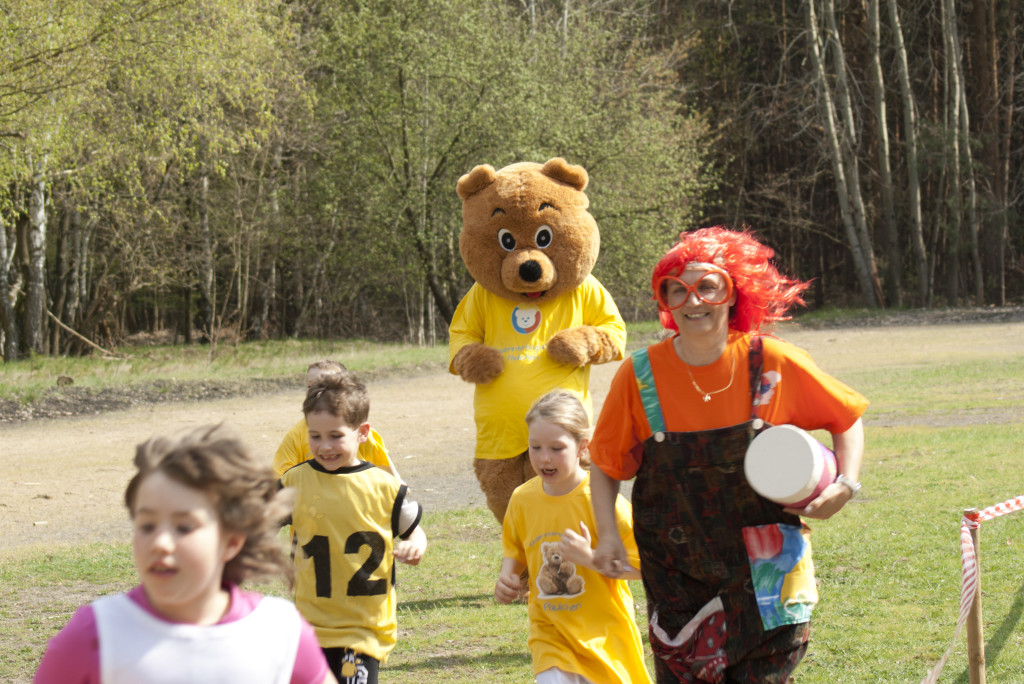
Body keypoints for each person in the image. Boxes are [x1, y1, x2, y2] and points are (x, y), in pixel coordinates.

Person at [588, 226, 868, 683]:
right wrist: (607, 535)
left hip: (769, 573)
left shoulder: (773, 362)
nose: (692, 302)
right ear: (665, 302)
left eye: (706, 286)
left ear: (734, 292)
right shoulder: (639, 377)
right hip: (678, 580)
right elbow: (606, 466)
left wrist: (846, 484)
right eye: (676, 290)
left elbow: (846, 418)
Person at [34, 424, 336, 684]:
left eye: (184, 527)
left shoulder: (279, 631)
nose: (160, 543)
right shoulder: (94, 635)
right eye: (147, 525)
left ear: (232, 541)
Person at [495, 390, 652, 684]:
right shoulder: (522, 499)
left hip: (603, 637)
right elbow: (514, 548)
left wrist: (590, 559)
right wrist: (508, 576)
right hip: (550, 634)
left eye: (556, 448)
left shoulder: (605, 503)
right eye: (535, 447)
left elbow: (647, 567)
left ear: (582, 447)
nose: (544, 458)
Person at [281, 372, 425, 684]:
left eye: (335, 436)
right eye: (315, 436)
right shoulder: (296, 482)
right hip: (310, 626)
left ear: (362, 433)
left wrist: (416, 544)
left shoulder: (383, 486)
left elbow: (413, 528)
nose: (324, 446)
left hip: (363, 629)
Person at [273, 360, 400, 481]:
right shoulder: (296, 435)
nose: (318, 392)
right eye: (311, 386)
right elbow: (280, 480)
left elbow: (389, 473)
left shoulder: (357, 430)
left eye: (327, 386)